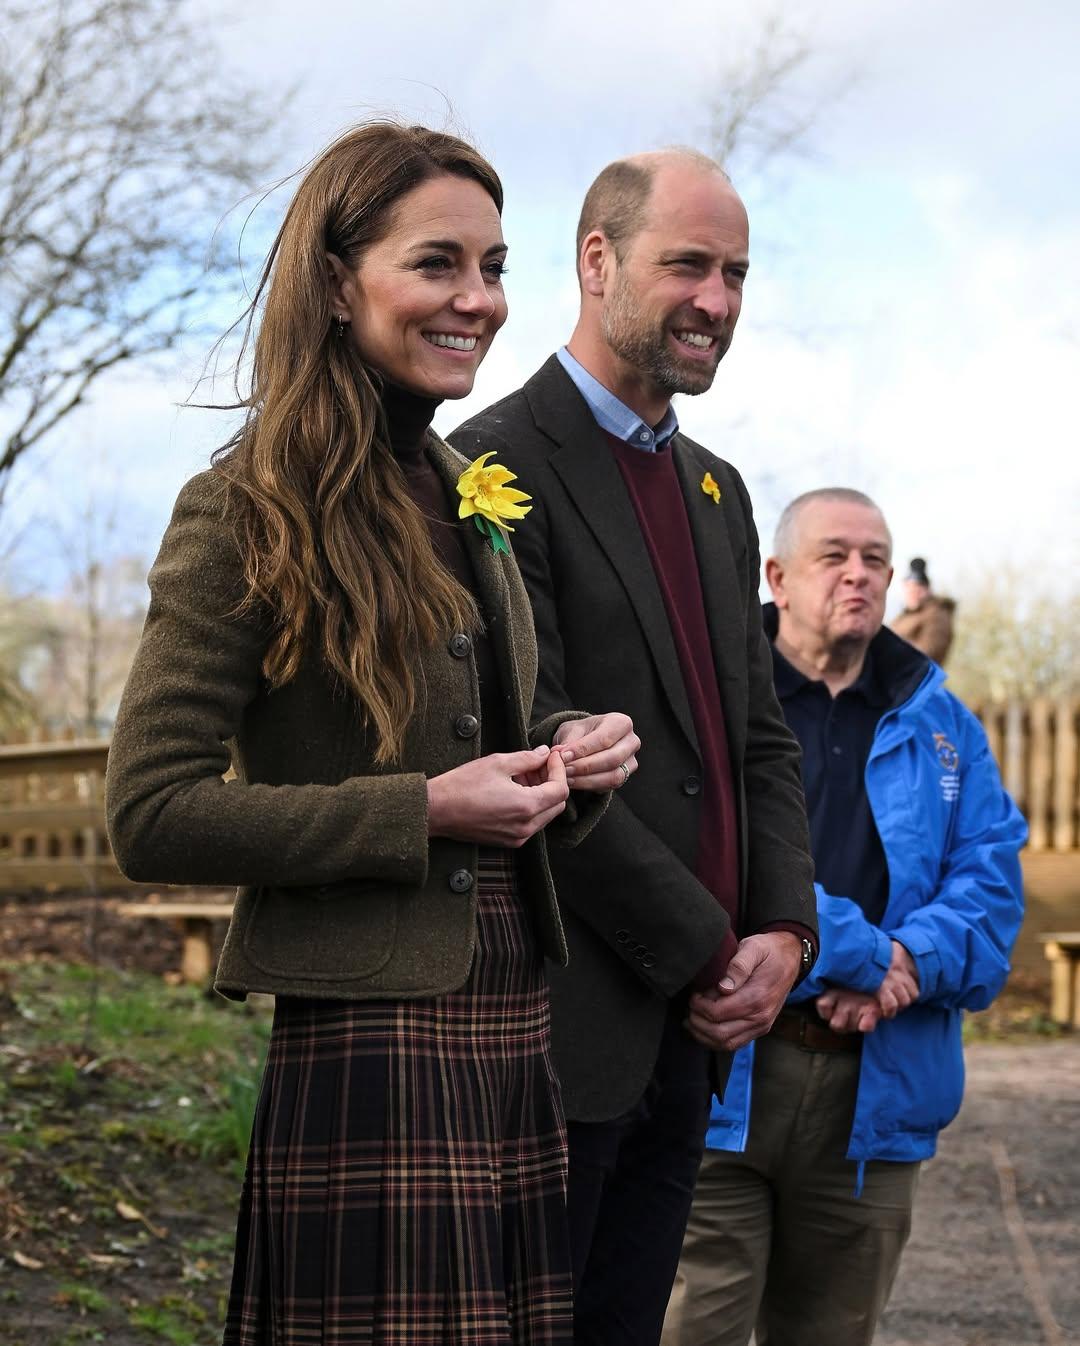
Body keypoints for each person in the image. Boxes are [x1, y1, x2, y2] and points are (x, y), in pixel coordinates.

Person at [105, 122, 641, 1346]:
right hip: (372, 1037)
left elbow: (471, 720)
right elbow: (151, 809)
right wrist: (425, 809)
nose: (479, 299)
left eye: (495, 267)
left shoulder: (466, 487)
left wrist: (569, 748)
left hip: (509, 1006)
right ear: (339, 282)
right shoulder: (245, 507)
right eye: (438, 263)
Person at [449, 149, 817, 1346]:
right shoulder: (490, 468)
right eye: (689, 264)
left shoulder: (718, 489)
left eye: (738, 273)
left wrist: (784, 929)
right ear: (597, 260)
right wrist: (712, 950)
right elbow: (530, 746)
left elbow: (760, 739)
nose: (718, 299)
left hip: (691, 1040)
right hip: (563, 1025)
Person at [663, 488, 1026, 1346]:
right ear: (777, 578)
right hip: (718, 1073)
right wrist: (862, 953)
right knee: (683, 1329)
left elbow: (992, 887)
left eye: (875, 559)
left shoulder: (946, 728)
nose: (859, 575)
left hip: (878, 1091)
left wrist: (907, 961)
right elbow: (703, 865)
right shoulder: (709, 700)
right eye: (835, 556)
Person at [891, 555, 956, 664]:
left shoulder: (937, 614)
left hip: (918, 677)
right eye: (910, 588)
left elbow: (928, 652)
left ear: (927, 589)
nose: (913, 593)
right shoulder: (903, 617)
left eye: (918, 588)